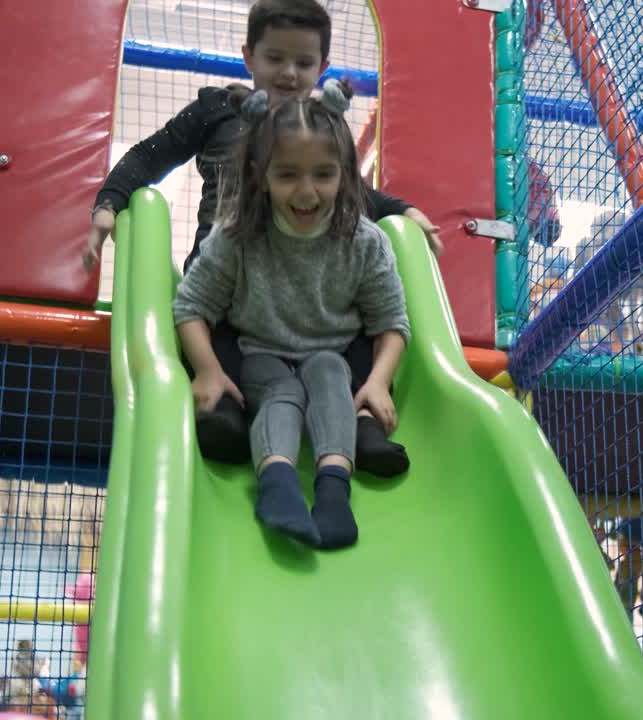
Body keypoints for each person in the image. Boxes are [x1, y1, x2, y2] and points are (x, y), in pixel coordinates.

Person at [86, 0, 430, 470]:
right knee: (211, 337)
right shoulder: (217, 110)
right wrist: (110, 202)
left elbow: (349, 194)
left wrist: (403, 210)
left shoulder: (320, 127)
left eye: (304, 62)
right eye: (275, 58)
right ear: (249, 57)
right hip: (232, 279)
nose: (289, 72)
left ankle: (363, 418)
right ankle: (226, 407)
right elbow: (150, 155)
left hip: (307, 279)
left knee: (358, 327)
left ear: (322, 67)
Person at [173, 85, 408, 549]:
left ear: (345, 173)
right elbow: (190, 306)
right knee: (281, 390)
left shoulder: (364, 241)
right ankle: (277, 483)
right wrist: (208, 370)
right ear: (260, 175)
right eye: (287, 175)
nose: (306, 192)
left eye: (323, 174)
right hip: (260, 351)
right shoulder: (238, 236)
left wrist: (379, 382)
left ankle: (333, 492)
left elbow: (392, 322)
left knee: (330, 375)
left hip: (332, 352)